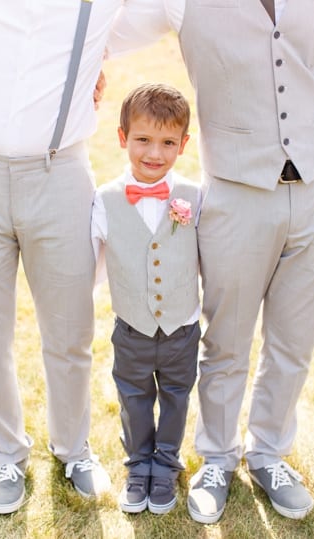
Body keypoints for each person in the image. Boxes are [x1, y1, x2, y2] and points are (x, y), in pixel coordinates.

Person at [106, 0, 314, 523]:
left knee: (294, 341)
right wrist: (87, 75)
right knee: (226, 340)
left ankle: (269, 452)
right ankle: (218, 459)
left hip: (313, 191)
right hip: (236, 191)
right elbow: (95, 36)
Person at [0, 0, 135, 514]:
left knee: (69, 330)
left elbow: (161, 14)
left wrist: (96, 53)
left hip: (59, 175)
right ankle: (7, 456)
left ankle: (74, 449)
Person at [91, 83, 201, 515]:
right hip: (131, 327)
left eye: (167, 143)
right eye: (143, 140)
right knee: (133, 397)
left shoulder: (195, 196)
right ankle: (138, 466)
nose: (154, 153)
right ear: (122, 138)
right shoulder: (104, 200)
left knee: (177, 395)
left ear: (183, 145)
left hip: (182, 327)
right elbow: (91, 266)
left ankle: (166, 463)